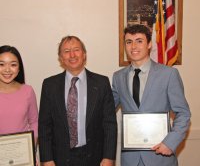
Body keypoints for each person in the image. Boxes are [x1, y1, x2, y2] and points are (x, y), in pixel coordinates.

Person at [112, 24, 191, 166]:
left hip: (160, 156)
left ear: (149, 44)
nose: (133, 46)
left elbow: (183, 113)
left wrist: (170, 143)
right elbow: (107, 108)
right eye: (129, 42)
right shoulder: (118, 77)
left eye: (139, 41)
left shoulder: (168, 74)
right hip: (130, 160)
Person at [38, 35, 117, 166]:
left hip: (94, 157)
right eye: (66, 51)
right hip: (59, 158)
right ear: (61, 58)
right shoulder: (49, 85)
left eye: (76, 50)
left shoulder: (102, 83)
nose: (72, 55)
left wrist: (109, 157)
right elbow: (44, 126)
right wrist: (46, 159)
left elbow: (109, 124)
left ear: (84, 54)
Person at [0, 45, 38, 144]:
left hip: (24, 154)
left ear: (19, 68)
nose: (7, 70)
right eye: (1, 64)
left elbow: (34, 122)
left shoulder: (28, 91)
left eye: (13, 65)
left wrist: (31, 146)